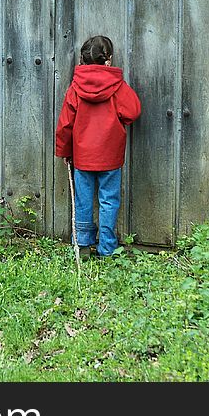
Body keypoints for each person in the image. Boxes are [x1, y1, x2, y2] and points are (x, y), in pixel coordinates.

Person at [55, 35, 141, 257]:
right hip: (110, 156)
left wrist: (64, 151)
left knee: (83, 199)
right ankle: (107, 247)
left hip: (82, 157)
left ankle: (82, 244)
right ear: (108, 60)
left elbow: (65, 124)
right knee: (108, 201)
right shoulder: (117, 86)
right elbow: (132, 112)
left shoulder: (75, 87)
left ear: (83, 60)